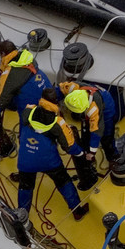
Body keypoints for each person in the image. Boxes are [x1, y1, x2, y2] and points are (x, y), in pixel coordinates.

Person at [14, 87, 96, 221]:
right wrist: (82, 154)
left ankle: (21, 217)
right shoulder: (58, 123)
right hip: (48, 161)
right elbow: (69, 147)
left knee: (25, 186)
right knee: (63, 182)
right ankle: (77, 210)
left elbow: (23, 120)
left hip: (26, 158)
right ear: (56, 102)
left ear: (42, 99)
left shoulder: (28, 110)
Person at [0, 39, 49, 159]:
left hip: (31, 104)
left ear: (3, 54)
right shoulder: (22, 57)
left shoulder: (9, 74)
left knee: (25, 136)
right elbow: (3, 68)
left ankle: (29, 159)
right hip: (46, 90)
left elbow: (1, 99)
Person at [60, 81, 122, 163]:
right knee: (85, 134)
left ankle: (113, 157)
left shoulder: (93, 109)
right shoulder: (72, 87)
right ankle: (86, 153)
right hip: (93, 100)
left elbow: (96, 130)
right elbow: (61, 88)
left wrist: (92, 152)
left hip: (107, 109)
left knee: (107, 137)